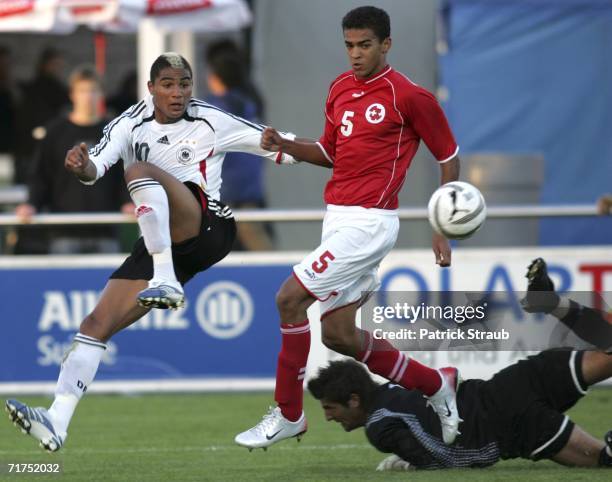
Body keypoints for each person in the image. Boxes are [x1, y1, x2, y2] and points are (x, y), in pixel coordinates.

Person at [4, 52, 298, 453]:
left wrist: (334, 152)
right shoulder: (128, 124)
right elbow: (96, 169)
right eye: (168, 84)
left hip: (209, 227)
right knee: (94, 324)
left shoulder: (211, 119)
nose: (178, 93)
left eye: (184, 84)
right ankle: (57, 419)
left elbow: (277, 144)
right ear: (150, 89)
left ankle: (165, 279)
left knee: (139, 172)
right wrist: (80, 167)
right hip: (162, 242)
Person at [235, 6, 461, 450]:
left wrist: (442, 224)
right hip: (337, 219)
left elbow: (449, 157)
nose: (355, 54)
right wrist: (286, 145)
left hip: (370, 223)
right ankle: (436, 384)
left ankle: (288, 413)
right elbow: (329, 151)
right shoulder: (339, 88)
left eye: (364, 45)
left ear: (386, 45)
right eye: (350, 46)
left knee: (289, 299)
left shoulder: (409, 96)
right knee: (337, 334)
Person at [308, 351, 612, 471]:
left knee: (605, 460)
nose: (327, 417)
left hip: (513, 425)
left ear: (354, 400)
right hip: (513, 381)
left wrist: (411, 465)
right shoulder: (400, 386)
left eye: (330, 408)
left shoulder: (378, 425)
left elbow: (448, 458)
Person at [15, 66, 133, 254]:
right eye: (83, 91)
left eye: (93, 90)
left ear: (102, 94)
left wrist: (128, 201)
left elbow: (125, 175)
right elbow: (40, 175)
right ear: (72, 95)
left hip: (106, 230)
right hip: (63, 230)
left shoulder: (115, 132)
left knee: (109, 283)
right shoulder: (55, 132)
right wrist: (32, 204)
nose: (88, 97)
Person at [205, 39, 273, 251]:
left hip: (227, 192)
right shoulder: (250, 103)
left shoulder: (215, 109)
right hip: (252, 189)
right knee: (260, 249)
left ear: (216, 78)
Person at [14, 47, 69, 184]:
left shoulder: (58, 88)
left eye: (59, 65)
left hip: (47, 143)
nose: (57, 68)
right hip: (31, 144)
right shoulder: (36, 89)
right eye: (55, 64)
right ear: (45, 64)